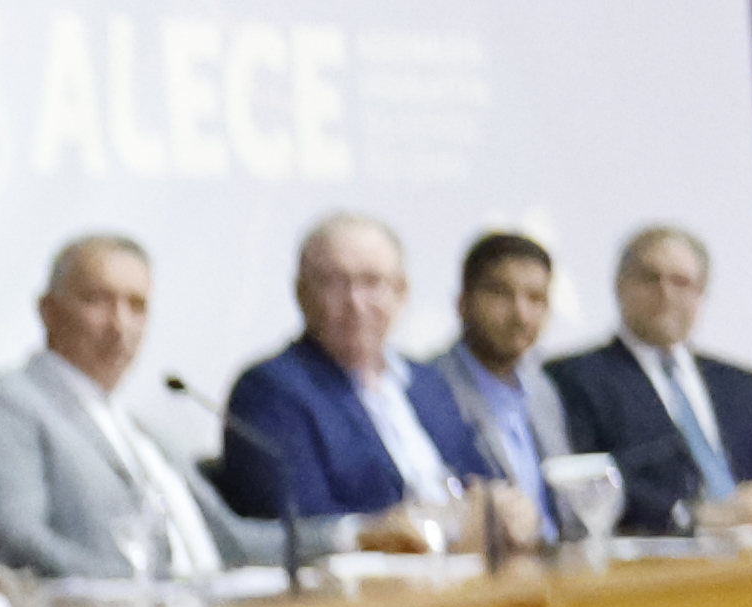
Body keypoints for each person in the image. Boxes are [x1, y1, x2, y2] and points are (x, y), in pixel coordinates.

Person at [0, 234, 282, 581]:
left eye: (136, 306)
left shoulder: (145, 433)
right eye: (97, 301)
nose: (120, 326)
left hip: (214, 605)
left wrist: (328, 536)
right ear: (48, 310)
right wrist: (142, 590)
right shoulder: (8, 400)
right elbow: (16, 538)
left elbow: (233, 543)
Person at [218, 214, 524, 551]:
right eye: (335, 283)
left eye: (372, 282)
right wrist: (405, 532)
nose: (355, 302)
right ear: (301, 293)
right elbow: (300, 525)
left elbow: (483, 482)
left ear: (401, 292)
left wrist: (507, 509)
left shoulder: (427, 382)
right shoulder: (271, 390)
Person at [550, 225, 752, 534]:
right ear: (620, 285)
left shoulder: (742, 384)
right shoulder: (577, 378)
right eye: (650, 278)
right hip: (660, 551)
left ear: (701, 293)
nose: (665, 294)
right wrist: (696, 516)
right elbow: (589, 480)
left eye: (681, 282)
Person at [428, 231, 570, 539]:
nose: (521, 315)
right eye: (502, 295)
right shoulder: (430, 389)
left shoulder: (543, 388)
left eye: (536, 299)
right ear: (463, 303)